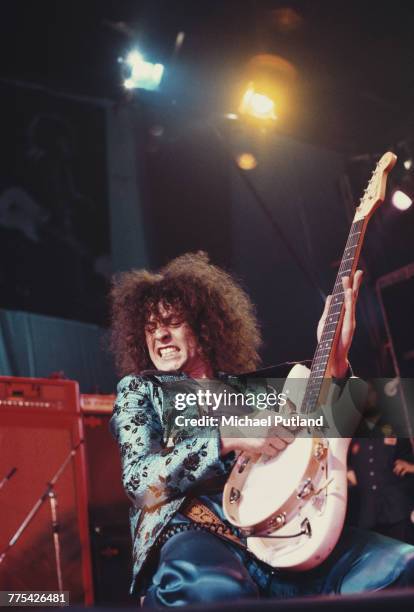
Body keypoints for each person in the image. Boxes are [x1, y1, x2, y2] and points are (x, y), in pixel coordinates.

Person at [110, 252, 414, 607]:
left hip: (283, 532)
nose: (159, 333)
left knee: (398, 567)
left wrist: (337, 359)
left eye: (172, 322)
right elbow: (139, 481)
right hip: (193, 531)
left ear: (205, 325)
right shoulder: (141, 390)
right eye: (150, 327)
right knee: (216, 590)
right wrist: (230, 437)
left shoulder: (257, 389)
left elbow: (334, 426)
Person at [347, 381, 414, 544]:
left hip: (397, 510)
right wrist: (348, 472)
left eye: (367, 394)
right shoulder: (350, 433)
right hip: (367, 514)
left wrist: (411, 467)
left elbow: (410, 457)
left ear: (375, 397)